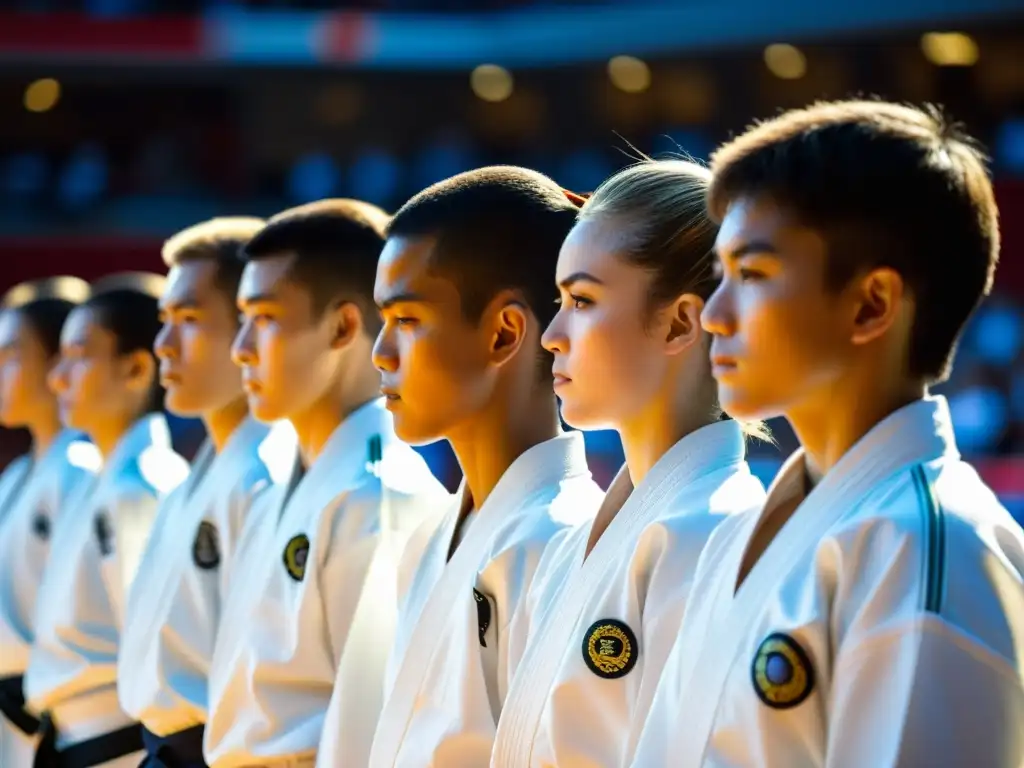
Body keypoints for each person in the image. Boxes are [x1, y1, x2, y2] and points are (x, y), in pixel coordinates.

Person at [630, 100, 1024, 767]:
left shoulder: (928, 547)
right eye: (717, 275)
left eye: (751, 275)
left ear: (871, 303)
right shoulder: (749, 532)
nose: (715, 315)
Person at [491, 159, 768, 767]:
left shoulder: (716, 534)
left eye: (582, 300)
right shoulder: (586, 537)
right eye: (558, 301)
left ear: (680, 322)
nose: (552, 334)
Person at [362, 166, 604, 768]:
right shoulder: (433, 534)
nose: (380, 353)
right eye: (383, 322)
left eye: (407, 321)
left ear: (503, 333)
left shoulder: (565, 541)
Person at [203, 199, 447, 768]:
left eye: (264, 319)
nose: (240, 349)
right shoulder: (281, 478)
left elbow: (369, 729)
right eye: (240, 320)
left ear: (342, 327)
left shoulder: (380, 494)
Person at [117, 219, 296, 768]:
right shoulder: (205, 470)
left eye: (189, 320)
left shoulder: (271, 475)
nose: (164, 345)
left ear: (250, 328)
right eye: (164, 320)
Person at [25, 272, 190, 768]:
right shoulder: (104, 478)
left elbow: (149, 656)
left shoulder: (141, 487)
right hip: (74, 738)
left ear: (137, 369)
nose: (58, 379)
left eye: (78, 357)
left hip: (115, 745)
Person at [0, 277, 101, 768]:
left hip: (54, 712)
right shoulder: (19, 474)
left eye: (12, 356)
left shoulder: (83, 470)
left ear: (58, 360)